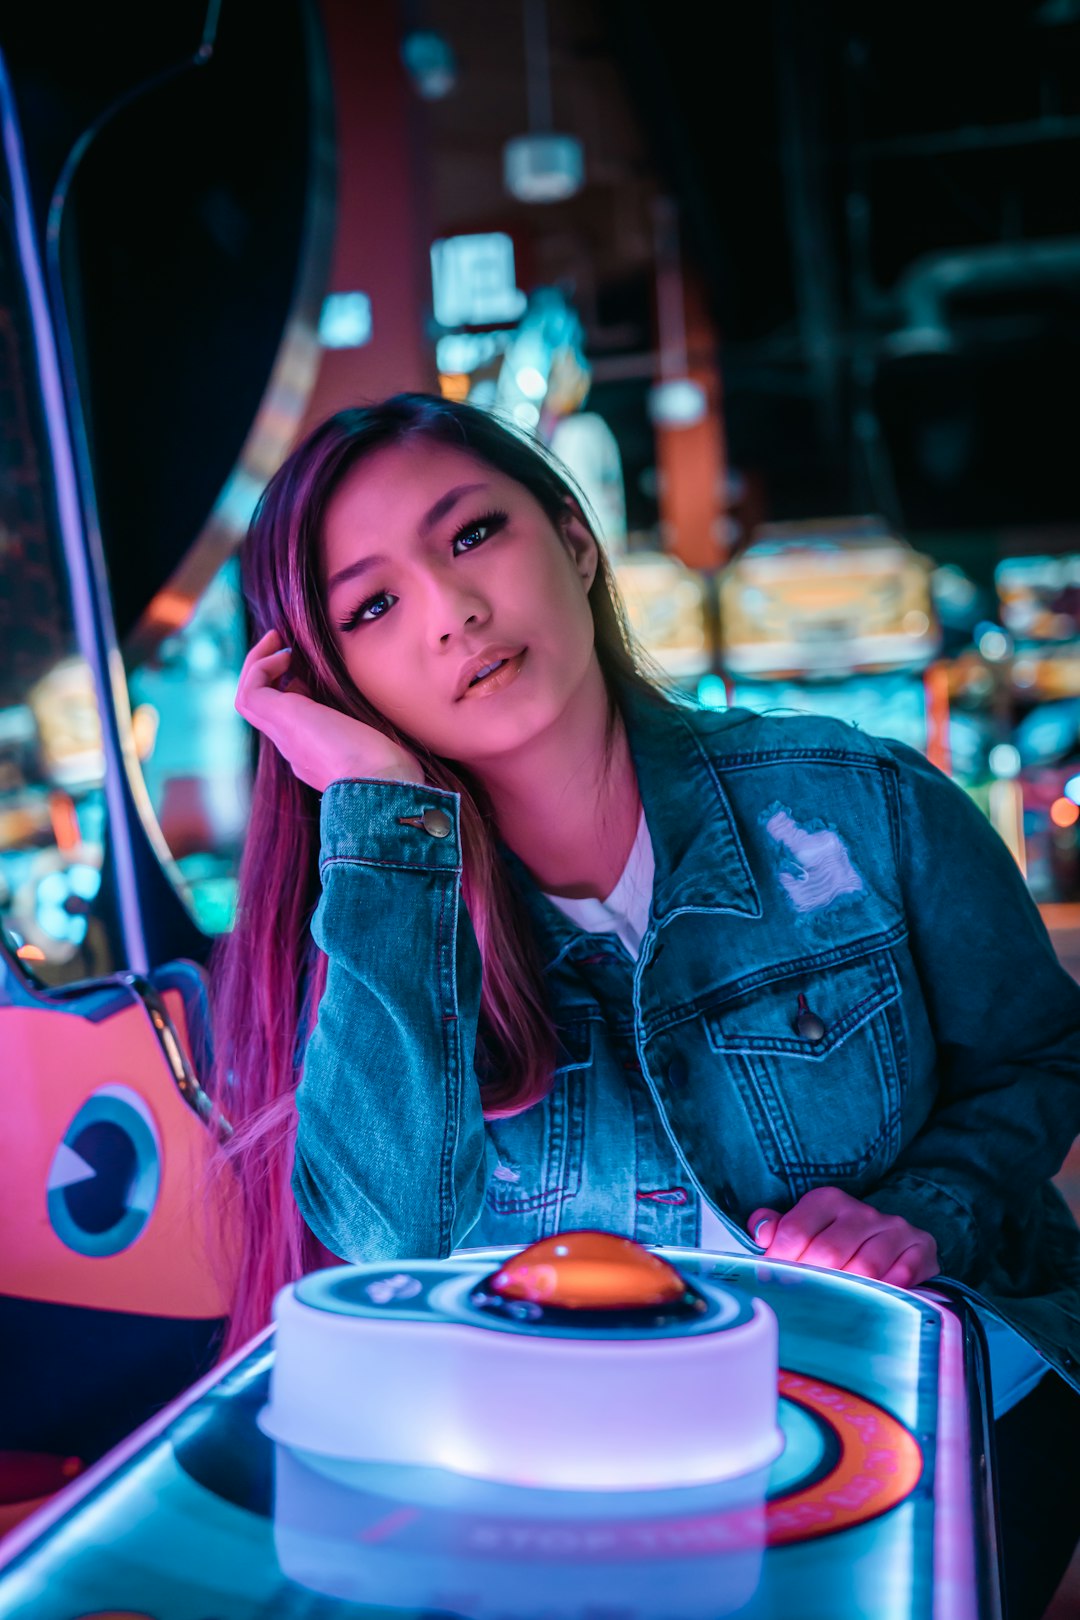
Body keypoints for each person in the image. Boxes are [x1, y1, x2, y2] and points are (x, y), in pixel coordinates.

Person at [216, 392, 1080, 1618]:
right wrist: (378, 807)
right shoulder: (371, 915)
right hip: (596, 1493)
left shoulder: (858, 797)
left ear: (573, 540)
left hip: (938, 1416)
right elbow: (383, 1235)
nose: (453, 613)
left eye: (472, 537)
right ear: (337, 682)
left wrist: (919, 1214)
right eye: (372, 607)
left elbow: (1040, 1053)